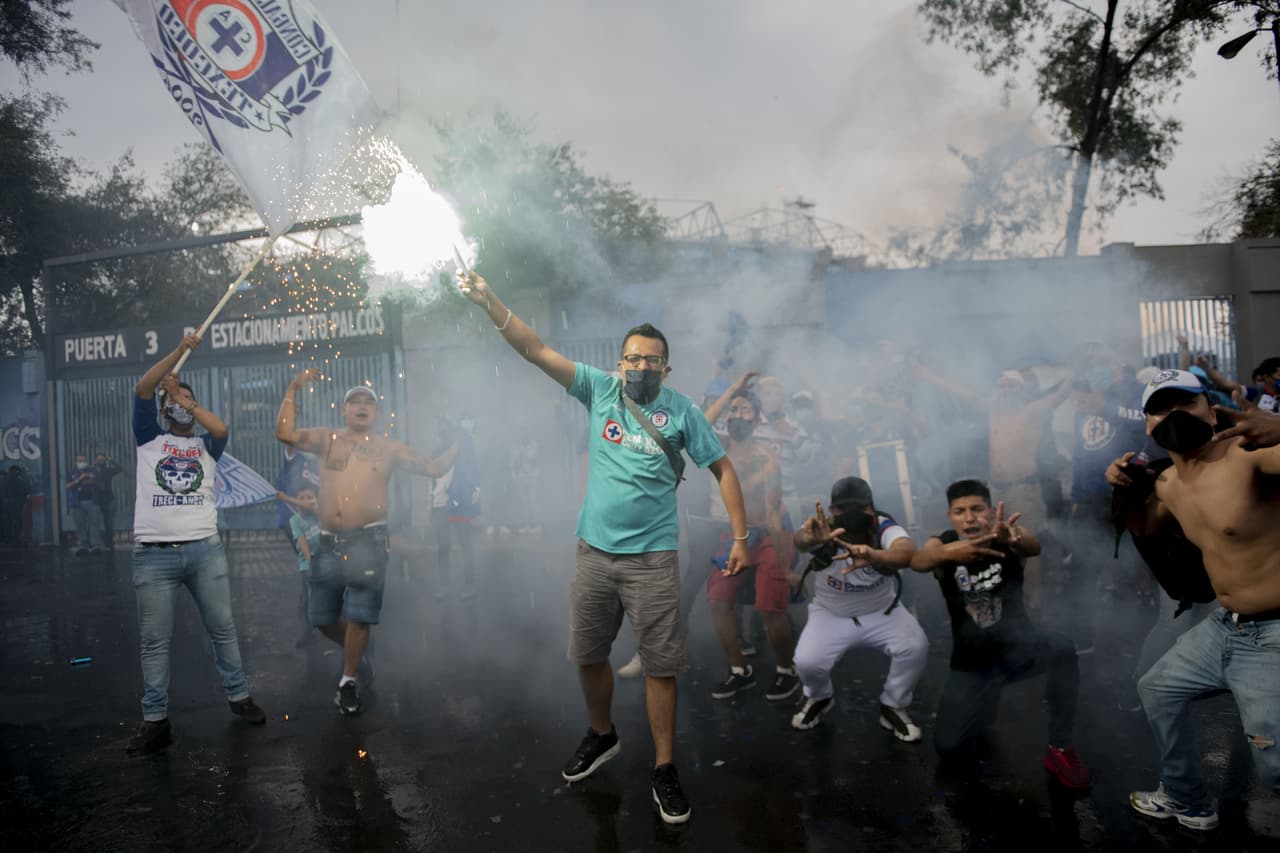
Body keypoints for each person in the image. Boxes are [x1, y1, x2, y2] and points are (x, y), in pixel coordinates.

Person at [457, 271, 749, 826]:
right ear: (619, 363)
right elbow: (535, 349)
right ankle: (602, 733)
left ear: (666, 368)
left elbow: (723, 469)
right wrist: (490, 301)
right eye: (633, 358)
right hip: (594, 554)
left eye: (652, 360)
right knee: (589, 653)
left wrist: (740, 536)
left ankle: (664, 768)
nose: (641, 366)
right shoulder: (599, 389)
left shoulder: (683, 412)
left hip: (654, 559)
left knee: (661, 666)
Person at [1106, 369, 1280, 831]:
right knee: (1156, 689)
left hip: (1275, 630)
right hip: (1227, 625)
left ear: (1211, 409)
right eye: (1161, 409)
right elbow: (1145, 527)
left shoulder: (1249, 456)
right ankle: (1186, 797)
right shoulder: (1168, 483)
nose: (1175, 415)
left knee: (1275, 767)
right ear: (1148, 425)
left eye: (1186, 403)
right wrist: (1124, 488)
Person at [276, 372, 456, 717]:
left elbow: (433, 468)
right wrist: (293, 388)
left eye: (368, 402)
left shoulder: (388, 447)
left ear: (377, 412)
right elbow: (284, 433)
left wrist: (462, 441)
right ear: (344, 410)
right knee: (321, 619)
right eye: (355, 402)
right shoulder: (327, 439)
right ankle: (357, 655)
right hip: (328, 544)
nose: (362, 406)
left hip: (369, 543)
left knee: (360, 617)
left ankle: (347, 681)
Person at [127, 333, 266, 755]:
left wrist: (183, 398)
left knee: (222, 628)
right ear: (162, 410)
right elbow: (143, 389)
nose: (179, 403)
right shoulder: (148, 436)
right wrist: (178, 352)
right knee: (154, 641)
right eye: (172, 399)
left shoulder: (207, 445)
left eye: (187, 400)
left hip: (205, 551)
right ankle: (155, 720)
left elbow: (222, 427)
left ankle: (239, 696)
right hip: (154, 556)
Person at [910, 479, 1090, 789]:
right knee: (949, 747)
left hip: (1019, 650)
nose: (969, 518)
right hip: (973, 665)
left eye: (977, 509)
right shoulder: (942, 545)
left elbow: (1033, 546)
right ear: (950, 516)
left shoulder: (1006, 537)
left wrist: (1013, 539)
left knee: (1061, 647)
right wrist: (952, 552)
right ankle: (986, 699)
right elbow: (918, 561)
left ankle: (1060, 747)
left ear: (992, 511)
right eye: (960, 511)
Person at [791, 478, 927, 740]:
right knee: (807, 662)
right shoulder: (823, 527)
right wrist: (810, 538)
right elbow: (800, 540)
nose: (851, 514)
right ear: (833, 510)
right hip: (831, 613)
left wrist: (875, 555)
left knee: (915, 647)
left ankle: (894, 703)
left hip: (882, 610)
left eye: (859, 507)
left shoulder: (883, 526)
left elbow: (906, 551)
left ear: (871, 508)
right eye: (843, 508)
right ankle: (819, 697)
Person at [698, 384, 798, 702]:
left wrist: (786, 567)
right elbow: (698, 424)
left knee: (769, 606)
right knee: (717, 599)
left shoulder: (767, 459)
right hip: (738, 533)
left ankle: (786, 670)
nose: (737, 415)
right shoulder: (720, 447)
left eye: (745, 410)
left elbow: (772, 514)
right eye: (733, 409)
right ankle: (740, 670)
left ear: (757, 420)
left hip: (771, 533)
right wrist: (734, 389)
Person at [432, 414, 481, 599]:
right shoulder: (437, 450)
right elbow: (433, 481)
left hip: (458, 502)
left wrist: (465, 497)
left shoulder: (463, 446)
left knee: (464, 544)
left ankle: (470, 584)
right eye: (438, 426)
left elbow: (470, 474)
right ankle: (444, 586)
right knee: (443, 546)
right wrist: (431, 505)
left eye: (443, 425)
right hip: (439, 503)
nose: (439, 429)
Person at [65, 454, 103, 556]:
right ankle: (83, 545)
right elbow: (67, 486)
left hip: (92, 501)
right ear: (76, 462)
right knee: (80, 524)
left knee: (94, 523)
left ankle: (95, 545)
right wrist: (79, 479)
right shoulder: (71, 472)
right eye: (80, 461)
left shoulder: (92, 471)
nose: (82, 463)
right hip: (77, 502)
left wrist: (90, 481)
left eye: (84, 461)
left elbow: (99, 482)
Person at [92, 450, 122, 548]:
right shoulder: (92, 471)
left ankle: (109, 543)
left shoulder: (108, 470)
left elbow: (119, 469)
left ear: (105, 460)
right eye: (99, 459)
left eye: (102, 459)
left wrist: (112, 460)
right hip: (96, 500)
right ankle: (96, 543)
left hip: (108, 499)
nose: (100, 461)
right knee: (95, 522)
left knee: (108, 523)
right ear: (96, 460)